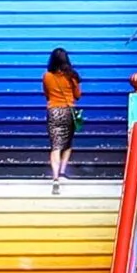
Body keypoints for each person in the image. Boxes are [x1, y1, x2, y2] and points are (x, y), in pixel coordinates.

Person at [43, 46, 82, 189]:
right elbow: (78, 95)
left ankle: (55, 177)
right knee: (68, 143)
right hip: (69, 110)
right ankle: (63, 172)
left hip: (53, 110)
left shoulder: (46, 76)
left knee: (55, 145)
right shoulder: (72, 76)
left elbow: (46, 93)